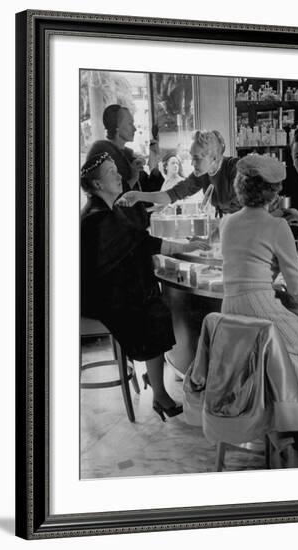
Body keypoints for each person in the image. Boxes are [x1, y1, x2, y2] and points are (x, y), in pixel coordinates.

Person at [220, 154, 298, 463]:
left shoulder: (227, 223)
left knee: (285, 349)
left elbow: (249, 271)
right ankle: (291, 426)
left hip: (229, 317)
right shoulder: (277, 227)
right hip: (262, 315)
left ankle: (278, 416)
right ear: (273, 192)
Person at [80, 151, 210, 421]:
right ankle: (160, 395)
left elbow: (136, 242)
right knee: (153, 310)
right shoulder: (98, 218)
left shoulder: (107, 208)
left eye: (116, 169)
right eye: (111, 172)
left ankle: (156, 380)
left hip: (112, 290)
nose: (118, 175)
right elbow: (140, 243)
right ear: (97, 185)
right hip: (100, 300)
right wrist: (184, 247)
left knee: (153, 298)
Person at [117, 130, 240, 216]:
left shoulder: (235, 169)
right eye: (192, 157)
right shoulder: (201, 175)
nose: (192, 164)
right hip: (227, 228)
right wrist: (138, 195)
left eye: (197, 158)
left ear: (213, 157)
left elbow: (253, 210)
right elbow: (171, 195)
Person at [86, 104, 148, 192]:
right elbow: (113, 196)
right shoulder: (103, 154)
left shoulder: (128, 154)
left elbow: (148, 187)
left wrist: (153, 163)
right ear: (117, 127)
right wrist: (134, 177)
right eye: (130, 124)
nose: (135, 129)